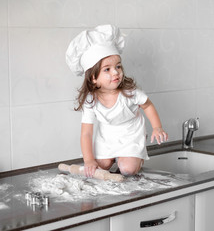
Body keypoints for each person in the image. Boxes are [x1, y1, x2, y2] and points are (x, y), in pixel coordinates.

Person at [65, 24, 168, 178]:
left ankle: (136, 159)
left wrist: (157, 127)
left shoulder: (130, 93)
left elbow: (147, 105)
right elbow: (86, 133)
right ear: (93, 78)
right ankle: (111, 159)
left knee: (127, 169)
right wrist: (89, 160)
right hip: (107, 136)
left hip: (131, 133)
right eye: (107, 69)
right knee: (101, 167)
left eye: (118, 66)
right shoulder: (91, 100)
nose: (116, 72)